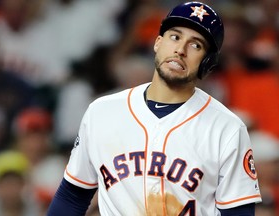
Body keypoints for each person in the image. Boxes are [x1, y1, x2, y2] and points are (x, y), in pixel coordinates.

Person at [47, 2, 262, 215]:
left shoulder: (226, 128)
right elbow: (72, 196)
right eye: (175, 37)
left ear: (207, 62)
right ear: (158, 42)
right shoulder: (101, 112)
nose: (180, 50)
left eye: (195, 45)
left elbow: (238, 212)